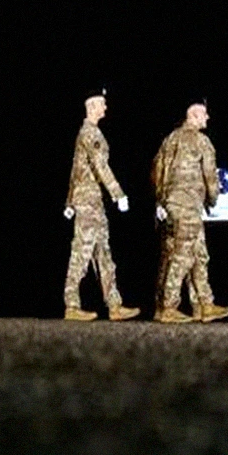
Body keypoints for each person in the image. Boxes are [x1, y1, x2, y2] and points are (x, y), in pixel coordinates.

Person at [150, 101, 228, 323]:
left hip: (172, 205)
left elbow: (158, 170)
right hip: (188, 205)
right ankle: (169, 306)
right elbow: (210, 174)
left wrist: (161, 200)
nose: (207, 118)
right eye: (204, 114)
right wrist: (213, 199)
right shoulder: (201, 141)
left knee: (198, 254)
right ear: (193, 115)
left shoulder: (170, 139)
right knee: (183, 256)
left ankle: (204, 304)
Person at [62, 89, 140, 322]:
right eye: (102, 104)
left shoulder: (89, 132)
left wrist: (69, 201)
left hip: (92, 202)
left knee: (103, 255)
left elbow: (76, 169)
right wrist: (118, 194)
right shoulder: (90, 133)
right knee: (81, 253)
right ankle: (72, 305)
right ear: (92, 106)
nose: (105, 108)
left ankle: (114, 305)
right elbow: (100, 166)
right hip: (88, 203)